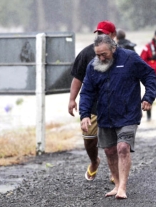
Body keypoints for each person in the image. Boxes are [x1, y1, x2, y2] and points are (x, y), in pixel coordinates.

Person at [79, 34, 156, 199]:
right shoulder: (93, 66)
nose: (100, 58)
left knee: (122, 148)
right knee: (109, 150)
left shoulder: (129, 58)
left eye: (104, 54)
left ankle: (122, 187)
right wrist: (84, 114)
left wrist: (148, 97)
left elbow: (149, 75)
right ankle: (116, 184)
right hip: (105, 115)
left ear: (113, 48)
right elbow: (87, 92)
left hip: (128, 113)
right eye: (98, 55)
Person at [68, 20, 116, 181]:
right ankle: (94, 161)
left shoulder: (122, 54)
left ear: (113, 36)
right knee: (89, 139)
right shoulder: (86, 53)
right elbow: (77, 78)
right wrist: (72, 99)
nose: (101, 36)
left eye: (104, 34)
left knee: (115, 139)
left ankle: (114, 171)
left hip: (115, 105)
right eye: (98, 33)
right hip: (93, 105)